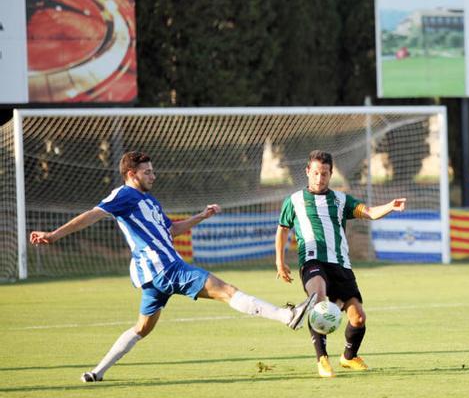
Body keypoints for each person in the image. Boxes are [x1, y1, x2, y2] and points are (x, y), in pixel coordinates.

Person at [29, 151, 317, 383]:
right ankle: (286, 316)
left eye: (153, 171)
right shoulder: (124, 195)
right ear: (131, 174)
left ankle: (98, 372)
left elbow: (171, 230)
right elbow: (92, 215)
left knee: (142, 328)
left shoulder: (150, 201)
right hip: (165, 267)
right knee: (227, 291)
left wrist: (202, 216)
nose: (153, 175)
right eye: (147, 172)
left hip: (154, 275)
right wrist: (54, 235)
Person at [275, 150, 406, 377]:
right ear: (307, 171)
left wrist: (390, 206)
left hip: (341, 265)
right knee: (318, 300)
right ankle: (322, 359)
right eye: (315, 173)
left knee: (359, 318)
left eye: (324, 174)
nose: (319, 178)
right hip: (312, 260)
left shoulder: (341, 200)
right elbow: (282, 229)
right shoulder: (294, 200)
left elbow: (370, 213)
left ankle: (349, 357)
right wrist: (279, 262)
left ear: (331, 173)